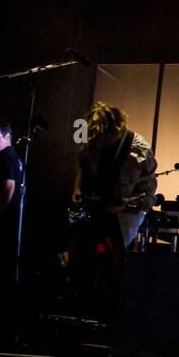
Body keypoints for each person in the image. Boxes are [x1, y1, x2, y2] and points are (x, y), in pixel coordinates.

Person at [69, 102, 156, 318]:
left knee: (112, 268)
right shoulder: (91, 143)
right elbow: (81, 165)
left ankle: (109, 315)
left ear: (114, 128)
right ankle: (82, 309)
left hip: (119, 215)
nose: (98, 138)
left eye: (103, 133)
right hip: (91, 210)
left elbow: (148, 186)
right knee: (81, 262)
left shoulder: (138, 148)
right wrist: (77, 189)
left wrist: (127, 204)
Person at [0, 119, 25, 286]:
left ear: (7, 137)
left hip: (4, 218)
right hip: (12, 217)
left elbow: (9, 185)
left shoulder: (6, 156)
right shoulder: (16, 157)